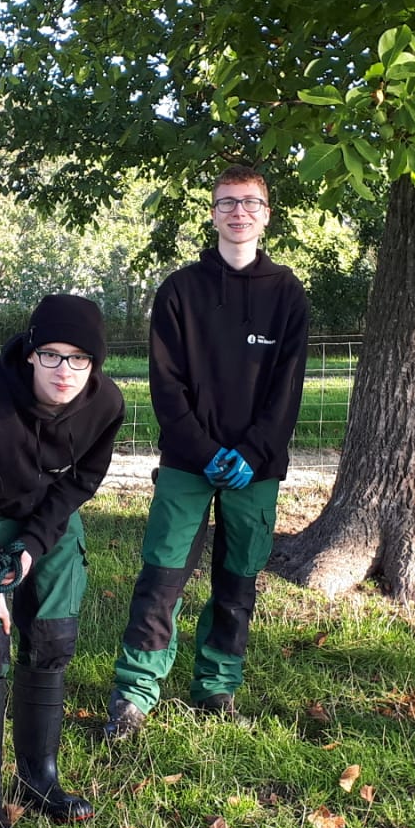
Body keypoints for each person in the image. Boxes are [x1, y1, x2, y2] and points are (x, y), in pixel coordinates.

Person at [104, 165, 309, 740]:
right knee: (162, 578)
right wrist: (202, 449)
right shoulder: (180, 292)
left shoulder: (288, 295)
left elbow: (287, 389)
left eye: (250, 203)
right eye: (226, 202)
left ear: (266, 214)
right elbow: (165, 384)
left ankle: (217, 684)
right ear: (212, 212)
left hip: (257, 468)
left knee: (237, 581)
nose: (238, 212)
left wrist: (251, 450)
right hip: (187, 465)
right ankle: (135, 691)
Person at [0, 294, 125, 828]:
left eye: (79, 359)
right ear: (29, 353)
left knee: (52, 634)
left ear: (94, 364)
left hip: (49, 521)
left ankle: (38, 778)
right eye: (51, 355)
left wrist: (28, 549)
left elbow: (78, 484)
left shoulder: (107, 405)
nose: (64, 370)